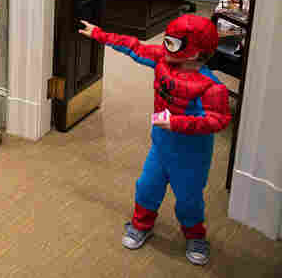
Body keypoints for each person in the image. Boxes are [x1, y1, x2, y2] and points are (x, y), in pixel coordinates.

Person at [79, 14, 230, 266]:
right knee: (147, 187)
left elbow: (218, 120)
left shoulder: (211, 87)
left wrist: (176, 123)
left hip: (192, 156)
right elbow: (134, 46)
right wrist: (99, 34)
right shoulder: (163, 59)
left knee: (189, 199)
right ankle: (141, 225)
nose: (165, 47)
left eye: (172, 43)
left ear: (193, 53)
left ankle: (195, 236)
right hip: (160, 147)